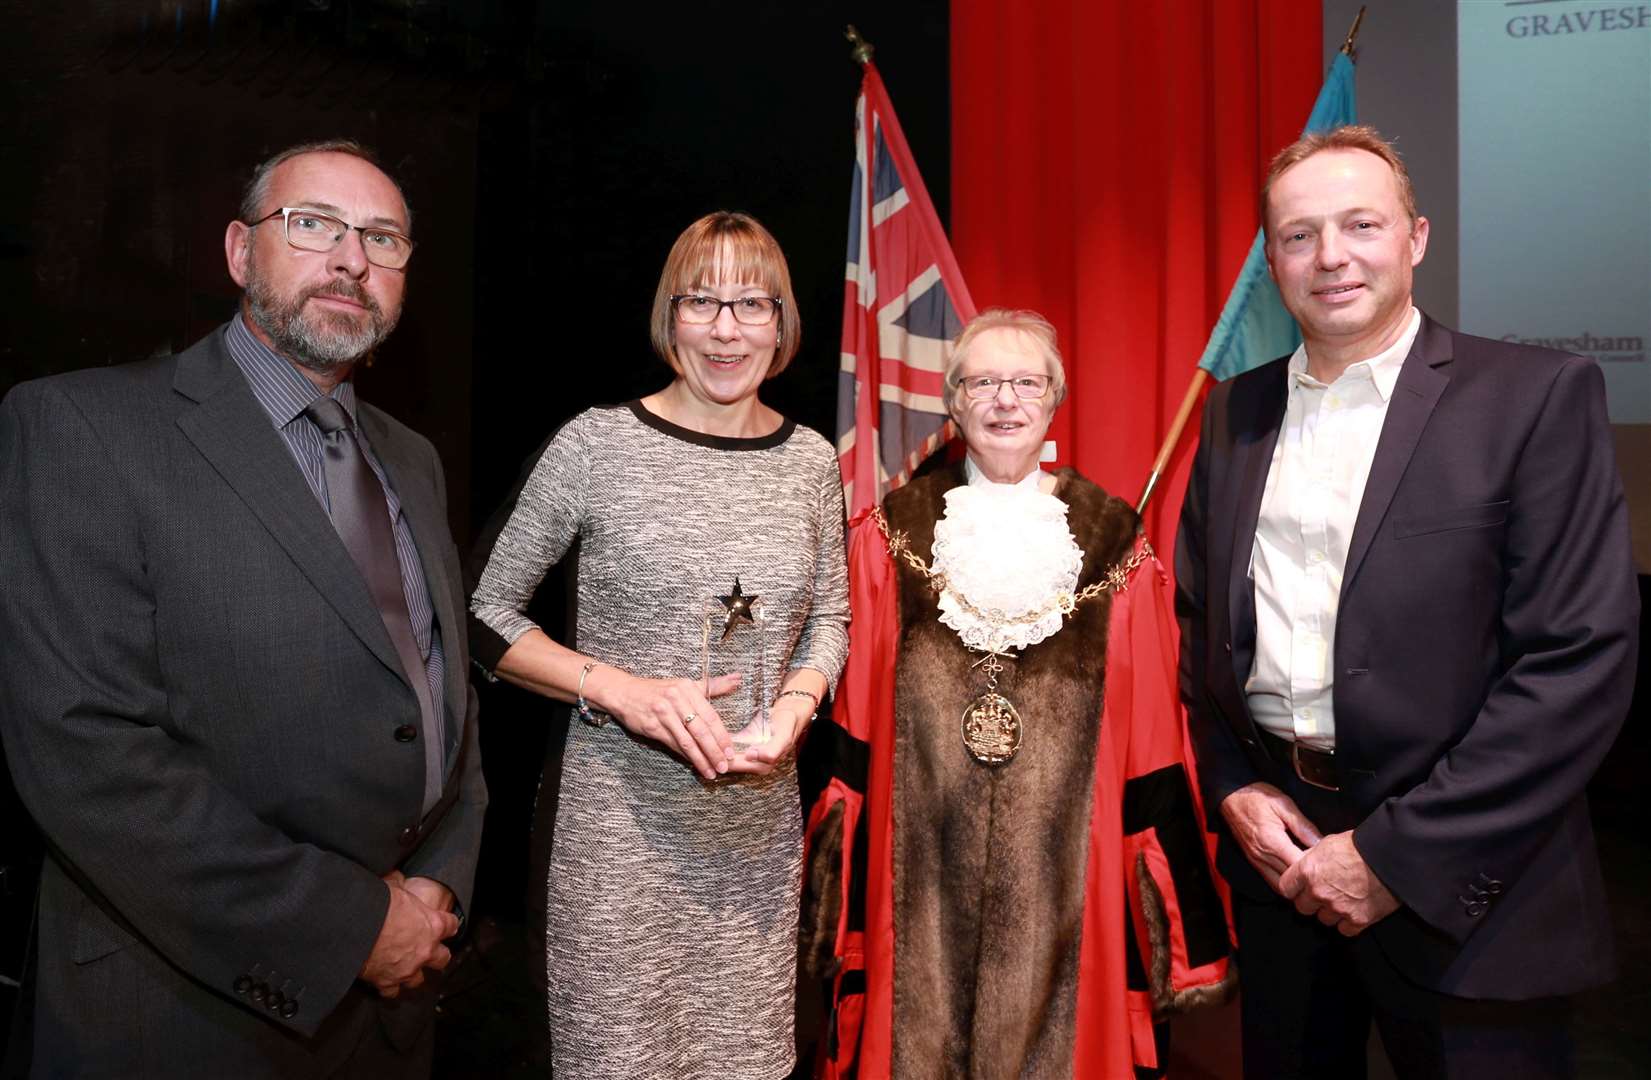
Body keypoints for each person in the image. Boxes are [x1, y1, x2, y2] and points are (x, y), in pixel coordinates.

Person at [0, 139, 487, 1076]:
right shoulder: (82, 427)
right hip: (189, 1009)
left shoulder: (412, 457)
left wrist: (439, 890)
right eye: (314, 226)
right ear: (237, 251)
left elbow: (439, 695)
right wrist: (353, 928)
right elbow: (84, 753)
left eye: (382, 239)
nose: (352, 258)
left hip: (394, 1010)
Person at [1175, 123, 1638, 1078]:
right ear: (1272, 259)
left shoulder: (1534, 397)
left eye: (1359, 225)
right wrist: (1231, 785)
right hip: (1283, 875)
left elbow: (1574, 660)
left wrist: (1390, 857)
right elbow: (1202, 630)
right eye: (1299, 235)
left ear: (1415, 238)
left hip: (1471, 889)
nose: (1330, 256)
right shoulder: (1235, 412)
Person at [468, 211, 850, 1079]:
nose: (726, 329)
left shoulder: (811, 463)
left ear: (782, 324)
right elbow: (483, 612)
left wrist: (796, 706)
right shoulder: (596, 445)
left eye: (752, 304)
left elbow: (832, 620)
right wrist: (623, 691)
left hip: (754, 847)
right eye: (702, 301)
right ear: (667, 317)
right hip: (615, 844)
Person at [804, 309, 1234, 1079]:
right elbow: (852, 728)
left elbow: (1151, 743)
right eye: (982, 383)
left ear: (1053, 399)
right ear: (954, 402)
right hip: (916, 885)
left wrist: (1167, 924)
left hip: (1075, 889)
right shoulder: (887, 537)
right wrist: (835, 906)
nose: (1004, 401)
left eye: (1025, 383)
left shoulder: (1115, 548)